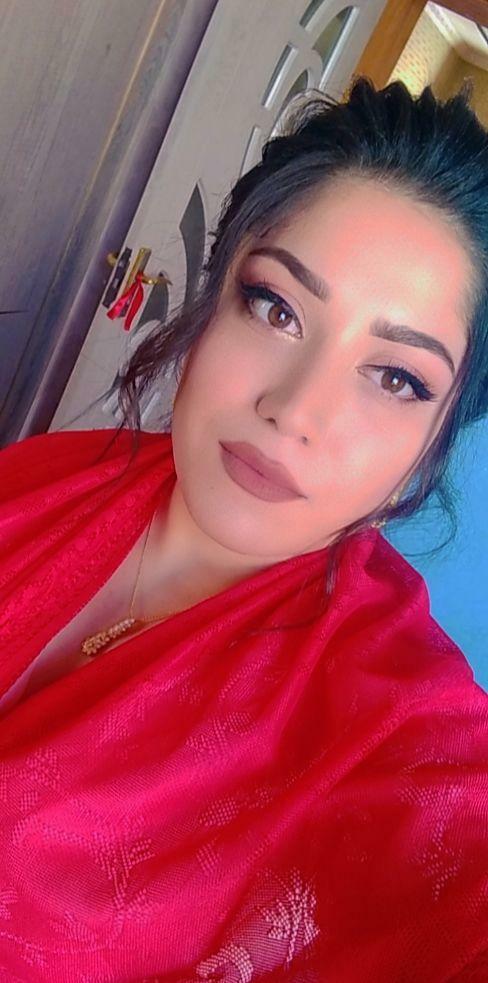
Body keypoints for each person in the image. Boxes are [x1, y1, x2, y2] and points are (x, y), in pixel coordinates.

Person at [0, 76, 487, 981]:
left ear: (435, 442)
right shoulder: (52, 474)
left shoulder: (394, 720)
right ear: (214, 294)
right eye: (276, 307)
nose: (294, 410)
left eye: (396, 378)